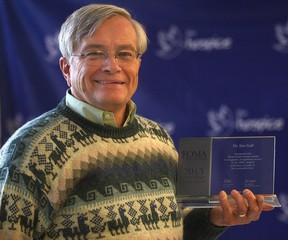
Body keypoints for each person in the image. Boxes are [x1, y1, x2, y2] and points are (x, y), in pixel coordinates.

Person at [0, 4, 274, 240]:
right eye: (94, 53)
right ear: (67, 68)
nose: (112, 65)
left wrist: (215, 219)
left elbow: (178, 231)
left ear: (137, 64)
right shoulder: (29, 153)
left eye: (125, 53)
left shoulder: (158, 140)